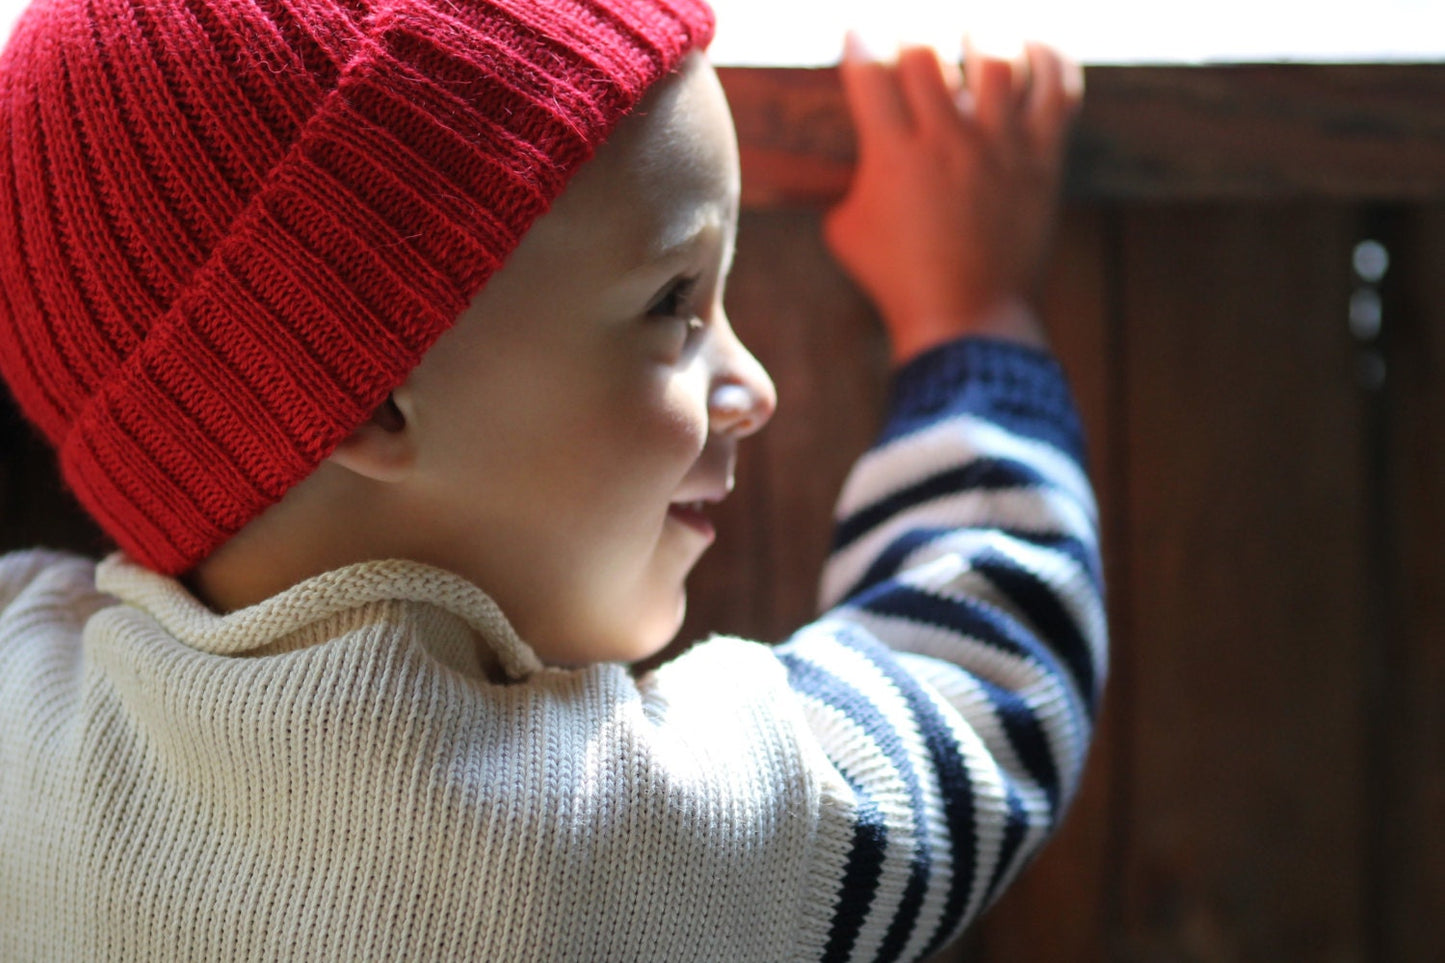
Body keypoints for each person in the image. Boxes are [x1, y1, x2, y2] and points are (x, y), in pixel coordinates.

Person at [0, 0, 1102, 958]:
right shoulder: (616, 841)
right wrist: (969, 319)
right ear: (376, 396)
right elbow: (978, 692)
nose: (751, 385)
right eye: (673, 304)